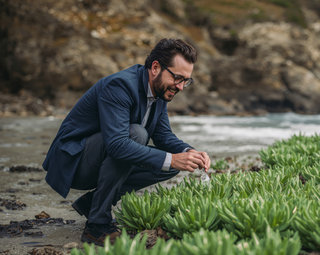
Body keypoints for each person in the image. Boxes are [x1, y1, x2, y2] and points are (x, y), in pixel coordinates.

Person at [42, 38, 210, 245]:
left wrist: (190, 152)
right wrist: (173, 158)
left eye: (186, 81)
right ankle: (96, 227)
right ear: (156, 67)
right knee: (137, 135)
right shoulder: (120, 85)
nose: (181, 87)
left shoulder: (159, 93)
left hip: (102, 156)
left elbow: (164, 136)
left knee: (172, 165)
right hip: (73, 161)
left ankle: (93, 204)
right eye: (177, 78)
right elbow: (117, 144)